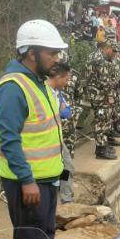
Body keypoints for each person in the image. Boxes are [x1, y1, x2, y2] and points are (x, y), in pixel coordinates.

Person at [0, 20, 75, 239]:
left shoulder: (37, 82)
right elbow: (10, 140)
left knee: (44, 233)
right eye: (51, 53)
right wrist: (27, 180)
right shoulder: (13, 88)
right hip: (27, 181)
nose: (56, 59)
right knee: (30, 235)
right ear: (31, 52)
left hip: (46, 177)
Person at [47, 63, 76, 203]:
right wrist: (62, 109)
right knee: (65, 167)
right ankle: (66, 198)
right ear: (58, 77)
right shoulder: (46, 92)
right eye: (66, 79)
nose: (67, 83)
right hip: (47, 140)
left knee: (67, 166)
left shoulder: (57, 92)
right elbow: (61, 111)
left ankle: (66, 197)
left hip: (58, 138)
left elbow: (66, 112)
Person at [86, 40, 119, 160]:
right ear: (107, 48)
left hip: (96, 95)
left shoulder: (94, 55)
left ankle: (103, 146)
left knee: (102, 120)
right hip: (100, 96)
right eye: (112, 51)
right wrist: (110, 96)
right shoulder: (100, 60)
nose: (113, 54)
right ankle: (100, 150)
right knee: (101, 121)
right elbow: (105, 82)